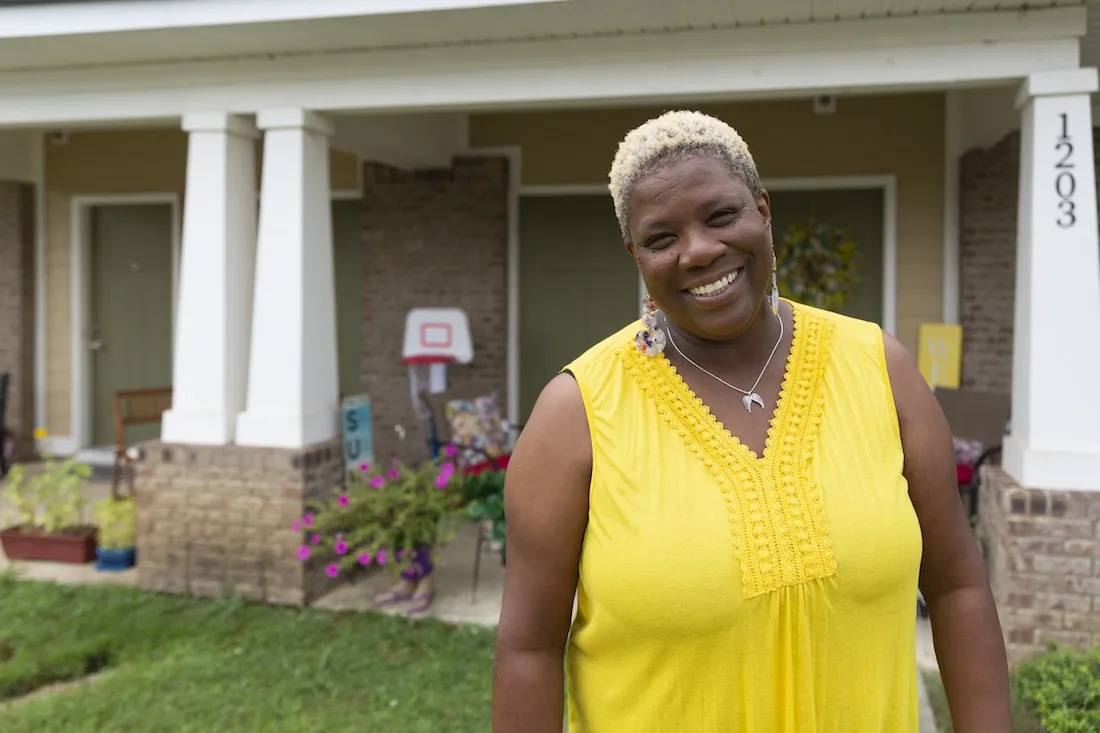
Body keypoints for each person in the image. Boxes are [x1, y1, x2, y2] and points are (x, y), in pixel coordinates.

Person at [492, 110, 1011, 732]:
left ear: (763, 211)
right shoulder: (578, 414)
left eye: (721, 216)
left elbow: (958, 589)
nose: (700, 250)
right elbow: (528, 652)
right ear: (636, 255)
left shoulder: (878, 367)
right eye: (661, 238)